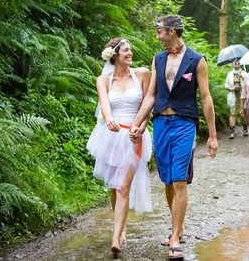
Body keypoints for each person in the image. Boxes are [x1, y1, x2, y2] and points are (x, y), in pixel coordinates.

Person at [129, 15, 218, 260]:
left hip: (184, 125)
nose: (157, 36)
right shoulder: (157, 59)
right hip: (160, 124)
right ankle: (178, 226)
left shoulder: (197, 60)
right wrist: (136, 125)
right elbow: (150, 96)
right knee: (167, 180)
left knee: (179, 180)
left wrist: (212, 135)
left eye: (159, 32)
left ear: (170, 31)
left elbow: (206, 98)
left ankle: (175, 238)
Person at [86, 38, 152, 256]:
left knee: (123, 186)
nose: (130, 53)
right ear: (114, 55)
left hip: (134, 137)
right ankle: (120, 226)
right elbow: (104, 104)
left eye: (130, 49)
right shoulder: (103, 80)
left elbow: (147, 105)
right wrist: (109, 118)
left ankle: (115, 239)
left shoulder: (142, 74)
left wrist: (141, 127)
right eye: (126, 50)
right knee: (115, 187)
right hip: (111, 136)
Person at [225, 59, 248, 139]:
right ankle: (232, 132)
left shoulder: (244, 73)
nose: (236, 65)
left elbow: (248, 83)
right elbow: (226, 85)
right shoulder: (229, 74)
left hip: (242, 96)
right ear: (232, 65)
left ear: (240, 64)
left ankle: (245, 129)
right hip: (232, 96)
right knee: (232, 114)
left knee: (243, 114)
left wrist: (242, 77)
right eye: (234, 64)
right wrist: (230, 88)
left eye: (237, 64)